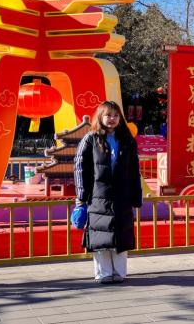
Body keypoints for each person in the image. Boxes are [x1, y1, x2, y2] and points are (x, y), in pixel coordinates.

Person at [74, 101, 143, 284]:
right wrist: (81, 199)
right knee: (100, 236)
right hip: (98, 196)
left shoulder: (128, 141)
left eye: (115, 115)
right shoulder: (90, 139)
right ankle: (103, 273)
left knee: (121, 234)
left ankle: (120, 273)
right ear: (100, 117)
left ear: (120, 118)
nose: (112, 119)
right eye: (108, 115)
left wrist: (136, 197)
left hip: (122, 196)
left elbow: (135, 171)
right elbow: (80, 169)